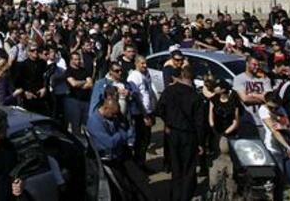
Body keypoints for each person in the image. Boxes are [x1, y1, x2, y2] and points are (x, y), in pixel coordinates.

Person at [86, 96, 151, 200]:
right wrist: (123, 134)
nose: (115, 116)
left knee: (139, 179)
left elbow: (126, 130)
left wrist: (123, 135)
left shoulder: (111, 117)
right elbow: (110, 143)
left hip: (120, 154)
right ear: (105, 108)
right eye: (112, 114)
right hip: (107, 160)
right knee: (122, 187)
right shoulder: (94, 122)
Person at [156, 66, 206, 201]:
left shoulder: (169, 91)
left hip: (173, 133)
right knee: (188, 168)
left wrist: (168, 122)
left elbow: (159, 109)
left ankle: (175, 196)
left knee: (176, 167)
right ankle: (184, 196)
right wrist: (201, 143)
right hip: (189, 135)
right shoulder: (195, 96)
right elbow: (200, 122)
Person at [258, 91, 290, 201]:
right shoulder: (263, 109)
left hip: (287, 148)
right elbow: (274, 131)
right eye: (271, 107)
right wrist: (287, 146)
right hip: (274, 148)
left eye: (276, 107)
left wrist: (279, 121)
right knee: (278, 179)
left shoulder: (281, 109)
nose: (273, 110)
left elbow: (288, 126)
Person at [125, 55, 156, 165]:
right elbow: (136, 98)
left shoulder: (145, 74)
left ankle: (141, 161)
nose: (145, 65)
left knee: (146, 138)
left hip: (148, 110)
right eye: (142, 63)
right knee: (141, 139)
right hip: (140, 113)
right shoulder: (134, 77)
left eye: (145, 63)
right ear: (136, 63)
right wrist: (145, 115)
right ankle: (139, 162)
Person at [64, 51, 92, 135]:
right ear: (71, 60)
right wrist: (84, 81)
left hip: (85, 100)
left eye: (79, 59)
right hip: (74, 100)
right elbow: (73, 84)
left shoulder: (84, 70)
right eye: (76, 59)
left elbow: (90, 84)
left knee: (86, 125)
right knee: (75, 125)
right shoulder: (68, 71)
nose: (78, 61)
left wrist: (79, 84)